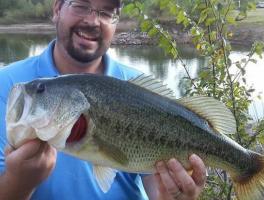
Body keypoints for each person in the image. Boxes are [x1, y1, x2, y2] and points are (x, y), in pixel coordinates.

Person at [0, 0, 207, 199]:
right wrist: (19, 182)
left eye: (107, 12)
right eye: (81, 5)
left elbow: (159, 190)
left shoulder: (138, 88)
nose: (92, 21)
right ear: (57, 9)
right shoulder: (10, 87)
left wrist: (173, 196)